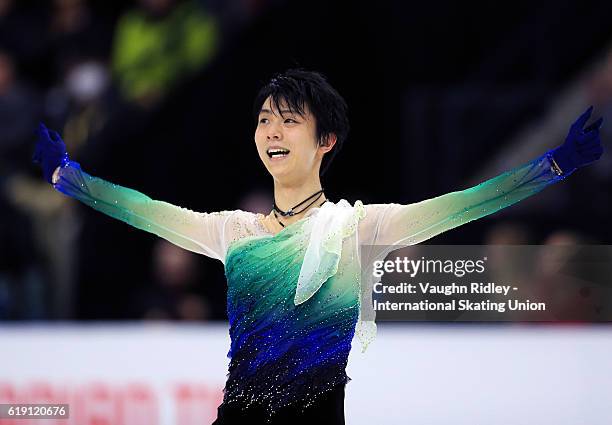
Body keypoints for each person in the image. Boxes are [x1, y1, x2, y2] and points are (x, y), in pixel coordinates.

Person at [32, 69, 604, 424]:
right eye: (264, 120)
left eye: (289, 120)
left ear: (325, 140)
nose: (272, 132)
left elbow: (464, 203)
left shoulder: (359, 228)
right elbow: (146, 211)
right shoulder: (236, 232)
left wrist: (553, 165)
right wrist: (71, 179)